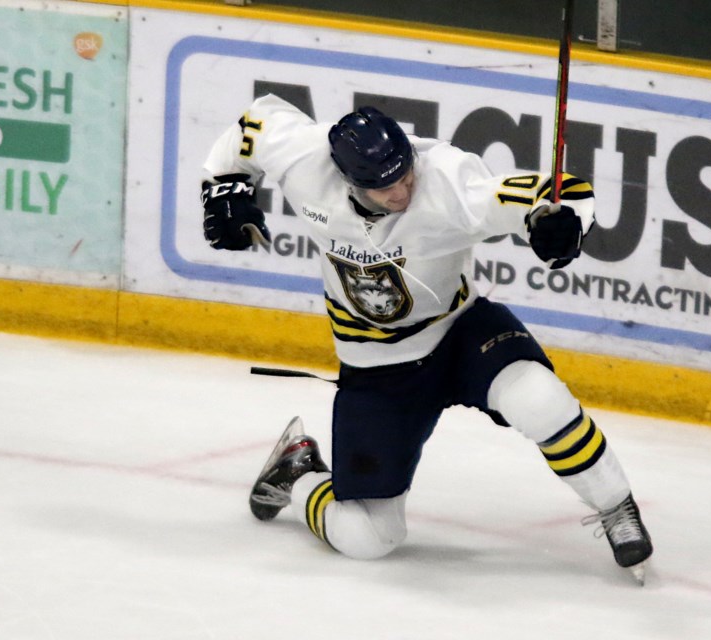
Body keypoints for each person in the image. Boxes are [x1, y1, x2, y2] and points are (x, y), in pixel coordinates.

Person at [200, 94, 653, 583]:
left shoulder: (448, 182)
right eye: (385, 187)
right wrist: (224, 183)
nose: (402, 191)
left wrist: (560, 223)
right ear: (348, 178)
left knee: (539, 399)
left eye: (405, 175)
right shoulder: (306, 161)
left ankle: (616, 506)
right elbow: (256, 121)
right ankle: (297, 473)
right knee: (368, 539)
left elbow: (562, 189)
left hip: (460, 332)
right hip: (376, 367)